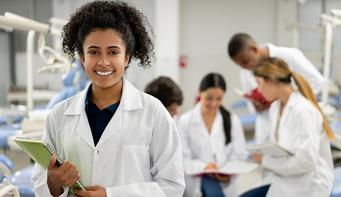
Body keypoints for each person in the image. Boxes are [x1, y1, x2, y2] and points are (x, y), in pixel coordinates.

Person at [32, 1, 185, 197]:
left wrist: (110, 194)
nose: (103, 62)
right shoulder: (59, 116)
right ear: (82, 57)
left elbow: (172, 186)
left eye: (113, 52)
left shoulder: (154, 113)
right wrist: (54, 182)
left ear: (127, 57)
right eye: (93, 52)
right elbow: (41, 184)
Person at [241, 57, 334, 197]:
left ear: (271, 80)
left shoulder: (303, 110)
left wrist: (266, 161)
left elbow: (305, 162)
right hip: (286, 180)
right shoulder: (275, 108)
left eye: (259, 83)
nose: (258, 90)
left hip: (309, 186)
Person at [227, 33, 326, 143]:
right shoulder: (245, 72)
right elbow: (251, 105)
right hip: (267, 127)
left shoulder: (289, 56)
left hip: (293, 122)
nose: (244, 67)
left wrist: (285, 97)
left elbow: (317, 82)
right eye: (240, 65)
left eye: (245, 61)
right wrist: (257, 106)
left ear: (254, 49)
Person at [178, 73, 247, 197]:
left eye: (219, 99)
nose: (214, 104)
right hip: (197, 179)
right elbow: (183, 159)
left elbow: (239, 155)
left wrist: (227, 174)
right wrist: (204, 167)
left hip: (226, 183)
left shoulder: (232, 120)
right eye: (209, 98)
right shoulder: (185, 121)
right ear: (199, 92)